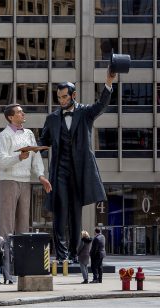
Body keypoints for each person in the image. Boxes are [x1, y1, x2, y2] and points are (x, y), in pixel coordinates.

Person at [38, 69, 116, 263]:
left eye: (65, 96)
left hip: (79, 172)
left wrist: (108, 82)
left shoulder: (85, 113)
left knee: (76, 216)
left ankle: (74, 254)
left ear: (74, 95)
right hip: (60, 172)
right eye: (59, 97)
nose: (61, 100)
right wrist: (28, 151)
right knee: (60, 213)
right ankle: (61, 255)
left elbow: (102, 105)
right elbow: (44, 142)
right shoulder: (52, 118)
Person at [0, 103, 52, 283]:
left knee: (23, 229)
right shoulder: (3, 136)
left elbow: (36, 157)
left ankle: (22, 268)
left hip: (26, 181)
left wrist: (41, 176)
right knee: (6, 227)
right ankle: (6, 272)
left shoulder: (29, 134)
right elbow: (1, 161)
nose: (23, 113)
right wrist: (19, 157)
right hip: (9, 180)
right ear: (11, 117)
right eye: (19, 112)